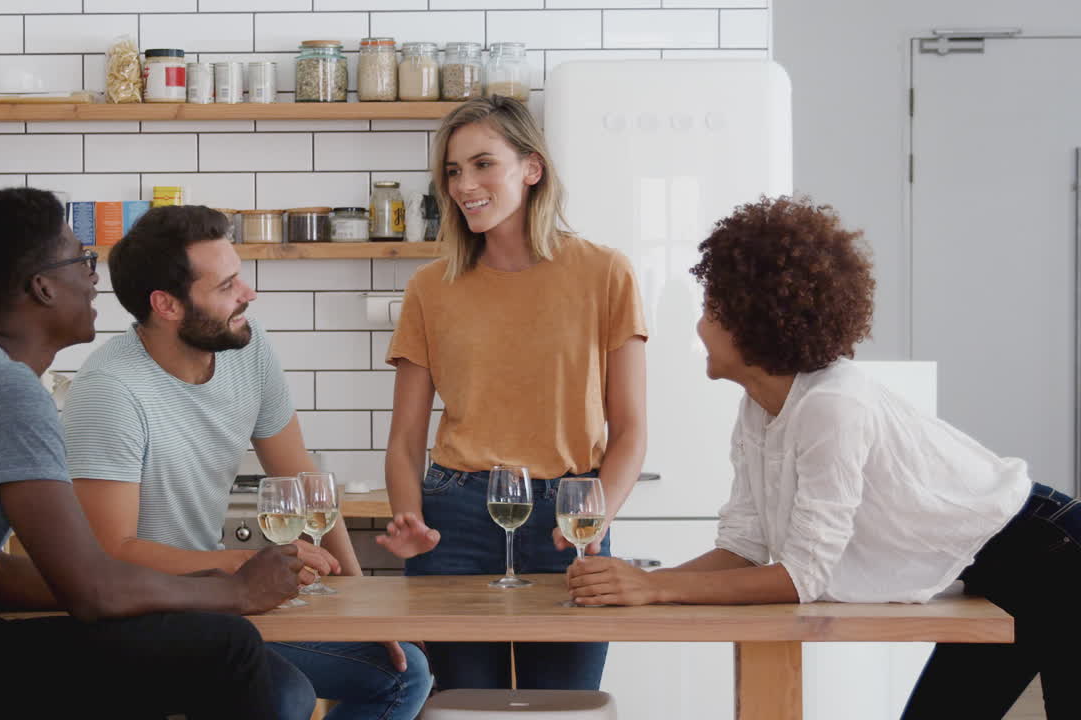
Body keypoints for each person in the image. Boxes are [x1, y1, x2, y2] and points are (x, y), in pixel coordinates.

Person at [565, 196, 1081, 719]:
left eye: (710, 310)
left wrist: (656, 588)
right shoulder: (759, 407)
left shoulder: (832, 406)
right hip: (1002, 559)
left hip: (1051, 549)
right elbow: (743, 548)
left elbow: (801, 578)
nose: (699, 328)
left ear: (752, 320)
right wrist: (641, 586)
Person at [0, 188, 303, 720]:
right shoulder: (3, 389)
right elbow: (91, 590)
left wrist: (186, 587)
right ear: (41, 288)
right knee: (227, 647)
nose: (93, 277)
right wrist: (238, 592)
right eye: (82, 260)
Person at [62, 204, 433, 720]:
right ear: (166, 305)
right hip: (141, 614)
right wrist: (236, 568)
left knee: (404, 671)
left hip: (222, 604)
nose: (249, 293)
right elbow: (110, 553)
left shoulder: (247, 348)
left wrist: (360, 605)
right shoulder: (110, 390)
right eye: (227, 285)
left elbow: (306, 484)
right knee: (282, 698)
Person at [374, 95, 649, 691]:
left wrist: (600, 508)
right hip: (457, 521)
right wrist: (410, 516)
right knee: (464, 708)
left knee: (565, 707)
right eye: (452, 171)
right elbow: (403, 441)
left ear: (532, 168)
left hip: (568, 517)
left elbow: (630, 429)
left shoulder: (606, 273)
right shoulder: (431, 287)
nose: (464, 185)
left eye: (482, 164)